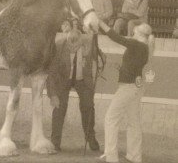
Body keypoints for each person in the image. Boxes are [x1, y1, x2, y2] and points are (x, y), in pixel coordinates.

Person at [98, 20, 155, 163]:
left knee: (111, 119)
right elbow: (134, 67)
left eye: (135, 31)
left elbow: (115, 37)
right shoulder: (145, 47)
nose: (132, 33)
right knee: (134, 122)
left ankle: (111, 156)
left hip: (127, 87)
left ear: (140, 34)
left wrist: (100, 22)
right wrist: (121, 68)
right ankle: (134, 156)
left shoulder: (136, 44)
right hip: (135, 87)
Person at [47, 29, 100, 152]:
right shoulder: (58, 46)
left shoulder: (89, 44)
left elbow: (100, 58)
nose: (72, 49)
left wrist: (96, 55)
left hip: (82, 79)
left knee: (88, 105)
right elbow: (51, 73)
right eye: (70, 46)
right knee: (59, 106)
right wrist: (53, 95)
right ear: (66, 41)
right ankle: (55, 141)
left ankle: (90, 137)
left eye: (75, 47)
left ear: (81, 42)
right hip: (63, 78)